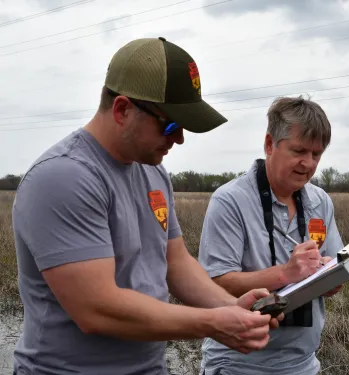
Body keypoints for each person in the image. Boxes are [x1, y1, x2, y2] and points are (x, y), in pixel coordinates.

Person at [11, 37, 283, 375]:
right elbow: (97, 309)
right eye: (169, 124)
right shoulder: (63, 177)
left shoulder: (152, 171)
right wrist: (214, 322)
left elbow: (175, 262)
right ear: (123, 109)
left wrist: (234, 307)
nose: (179, 138)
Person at [198, 96, 345, 375]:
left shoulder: (321, 201)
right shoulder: (230, 200)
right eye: (299, 151)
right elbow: (216, 282)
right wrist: (286, 274)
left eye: (316, 154)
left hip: (303, 364)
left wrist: (331, 279)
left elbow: (331, 268)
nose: (308, 164)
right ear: (269, 144)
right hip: (237, 365)